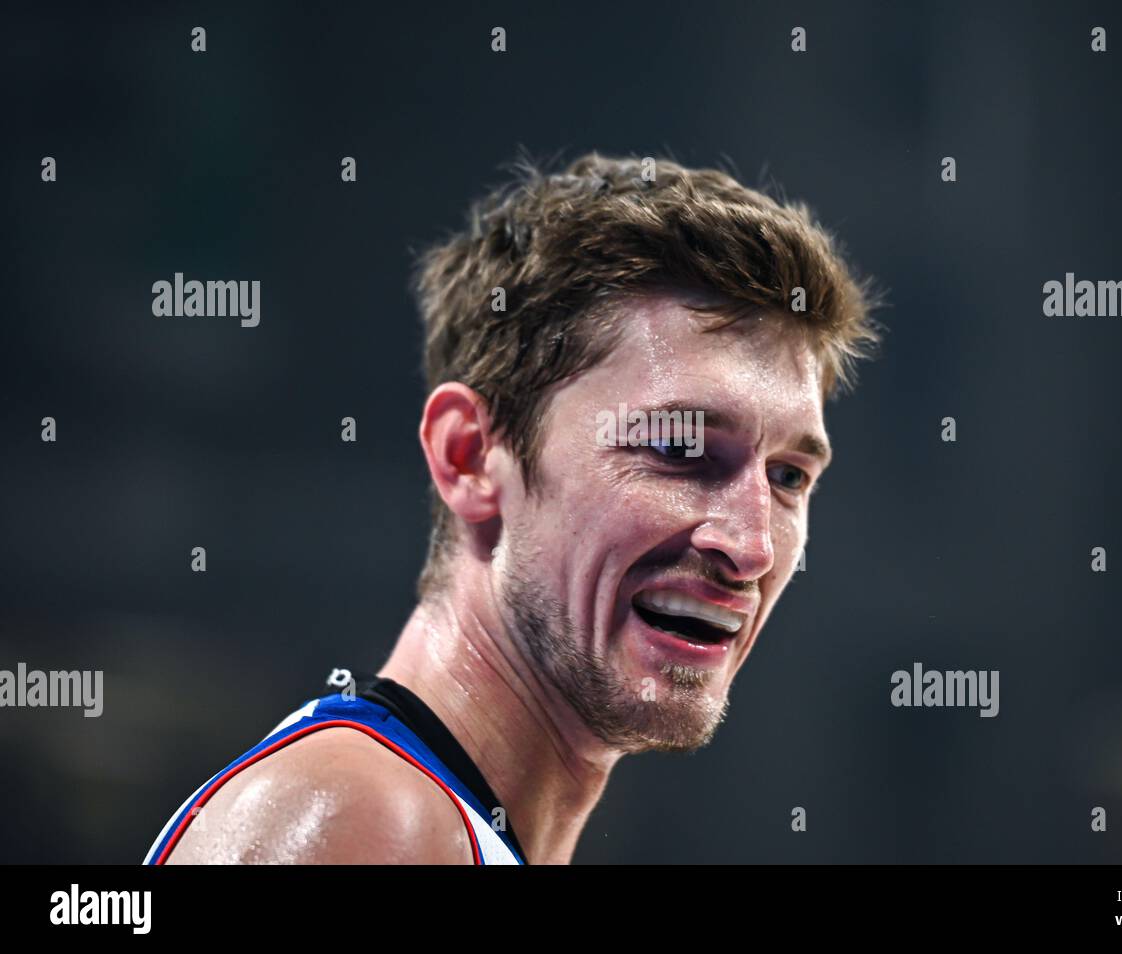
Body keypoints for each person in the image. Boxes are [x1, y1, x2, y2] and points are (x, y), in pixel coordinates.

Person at [145, 152, 882, 864]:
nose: (751, 546)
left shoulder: (434, 822)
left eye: (788, 476)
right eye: (679, 451)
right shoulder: (361, 817)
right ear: (468, 457)